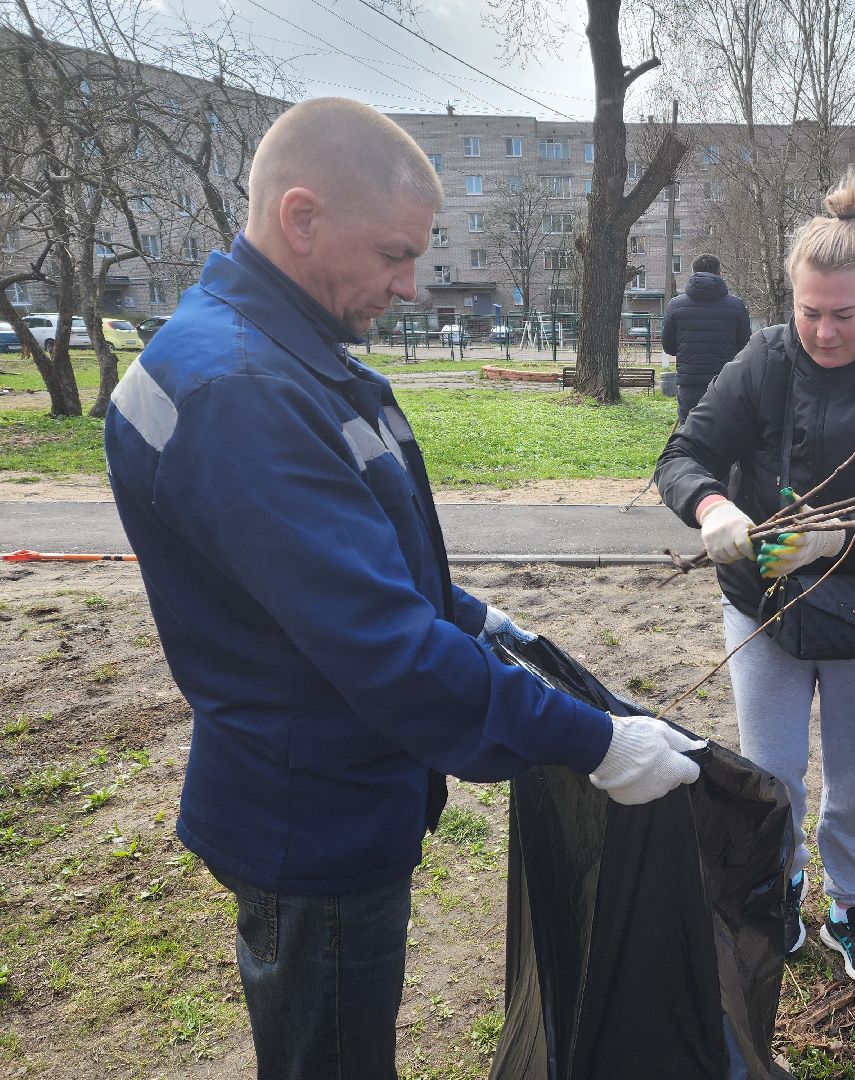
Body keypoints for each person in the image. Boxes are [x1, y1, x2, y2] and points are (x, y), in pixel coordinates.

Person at [103, 98, 704, 1080]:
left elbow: (355, 572)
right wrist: (593, 743)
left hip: (312, 787)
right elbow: (386, 650)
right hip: (314, 821)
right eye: (393, 255)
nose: (412, 285)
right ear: (302, 220)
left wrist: (477, 616)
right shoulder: (243, 394)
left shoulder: (278, 359)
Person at [655, 171, 855, 990]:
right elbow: (682, 454)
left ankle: (850, 903)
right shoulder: (765, 359)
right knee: (774, 770)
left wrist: (833, 539)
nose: (824, 332)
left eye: (845, 315)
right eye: (808, 312)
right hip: (764, 605)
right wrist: (713, 506)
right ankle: (782, 884)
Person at [661, 253, 752, 422]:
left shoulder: (675, 305)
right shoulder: (736, 305)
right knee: (725, 434)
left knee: (688, 437)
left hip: (690, 384)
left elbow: (668, 346)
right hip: (725, 384)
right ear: (719, 274)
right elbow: (745, 346)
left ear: (693, 273)